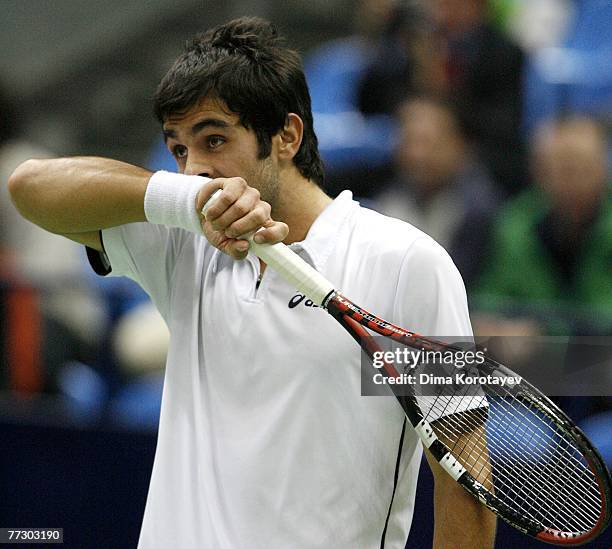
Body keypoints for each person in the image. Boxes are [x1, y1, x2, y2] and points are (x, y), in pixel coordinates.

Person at [8, 17, 495, 549]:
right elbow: (29, 187)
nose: (194, 167)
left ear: (287, 136)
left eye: (214, 139)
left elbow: (463, 480)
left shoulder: (409, 265)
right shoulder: (184, 242)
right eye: (179, 150)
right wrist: (184, 202)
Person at [374, 96, 500, 289]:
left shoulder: (481, 210)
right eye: (409, 141)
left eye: (428, 143)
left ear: (460, 145)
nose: (417, 155)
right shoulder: (390, 199)